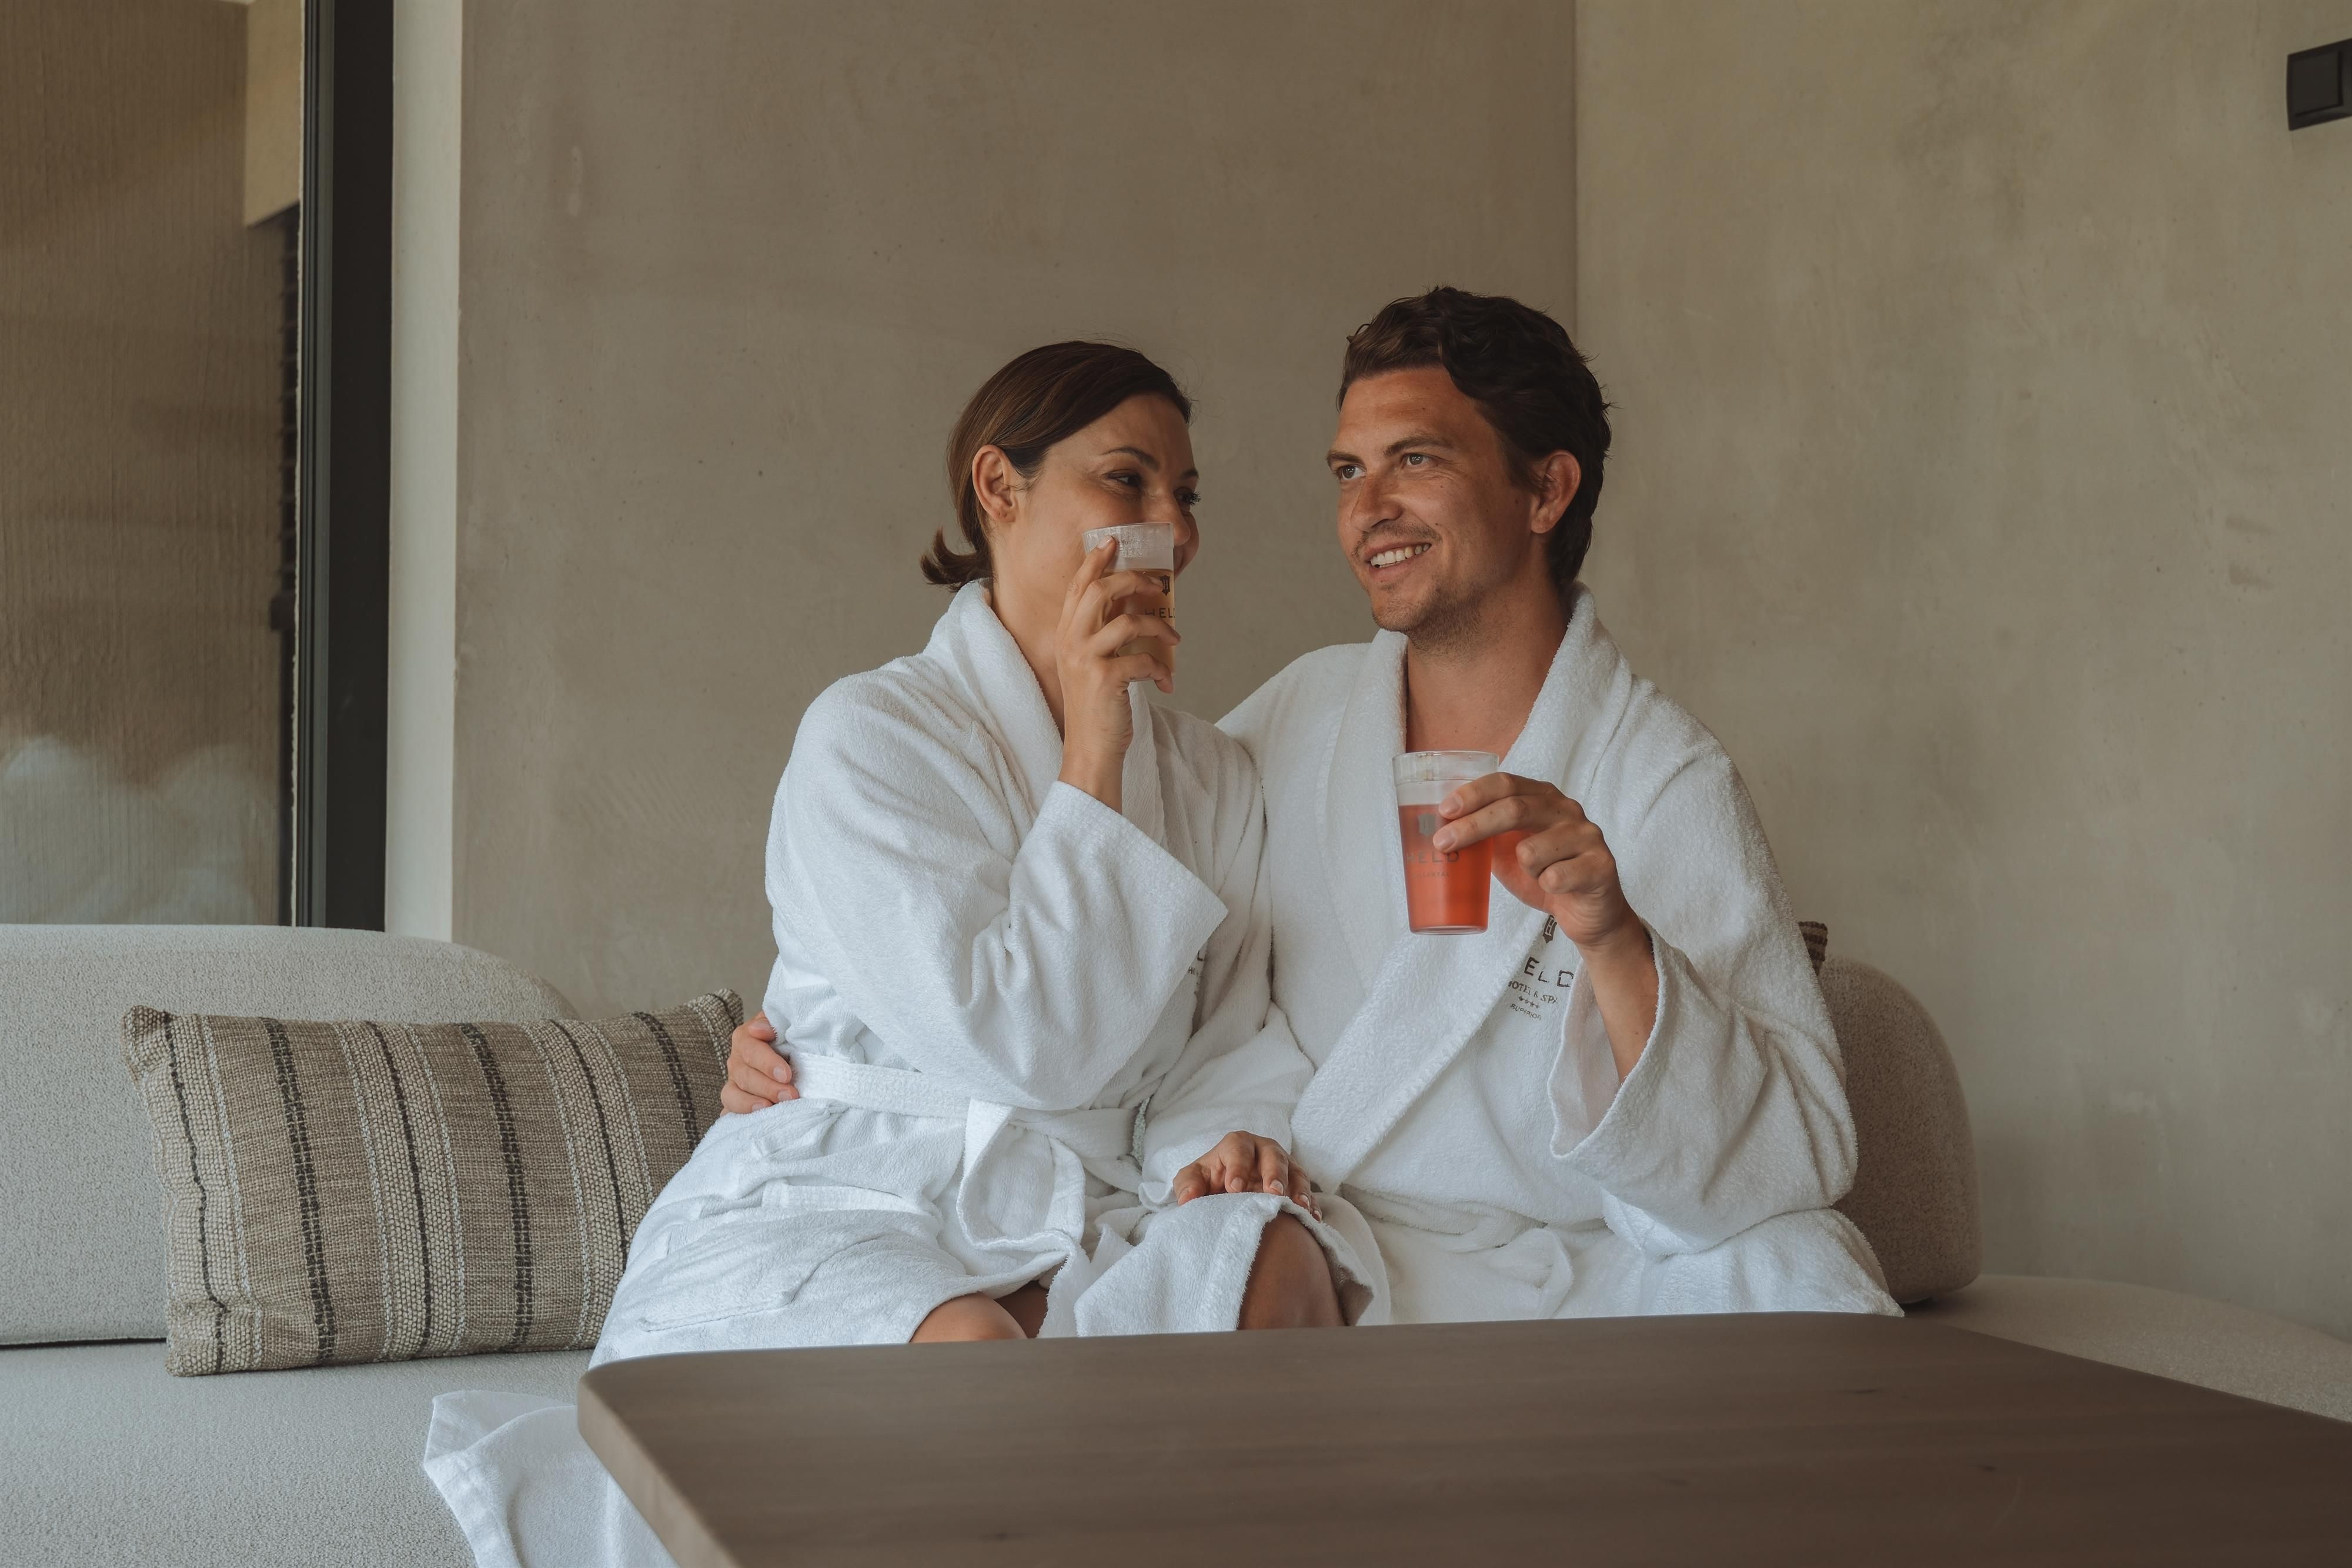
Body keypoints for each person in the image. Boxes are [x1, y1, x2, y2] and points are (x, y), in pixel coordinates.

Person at [729, 288, 1897, 1325]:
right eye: (1348, 471)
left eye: (1417, 460)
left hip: (1591, 1264)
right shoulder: (1293, 723)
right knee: (1234, 1249)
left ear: (1544, 487)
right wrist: (822, 1030)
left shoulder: (1658, 775)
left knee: (1811, 1271)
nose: (1367, 509)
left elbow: (1794, 1149)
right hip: (1351, 1254)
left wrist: (1614, 941)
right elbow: (1125, 920)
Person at [423, 343, 1375, 1568]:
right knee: (973, 1359)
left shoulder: (1210, 774)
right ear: (999, 486)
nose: (1169, 530)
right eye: (1126, 482)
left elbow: (1234, 1029)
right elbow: (1017, 1042)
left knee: (1273, 1249)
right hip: (846, 1195)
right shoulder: (867, 735)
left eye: (1185, 496)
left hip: (1086, 1206)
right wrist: (1092, 750)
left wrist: (1219, 1145)